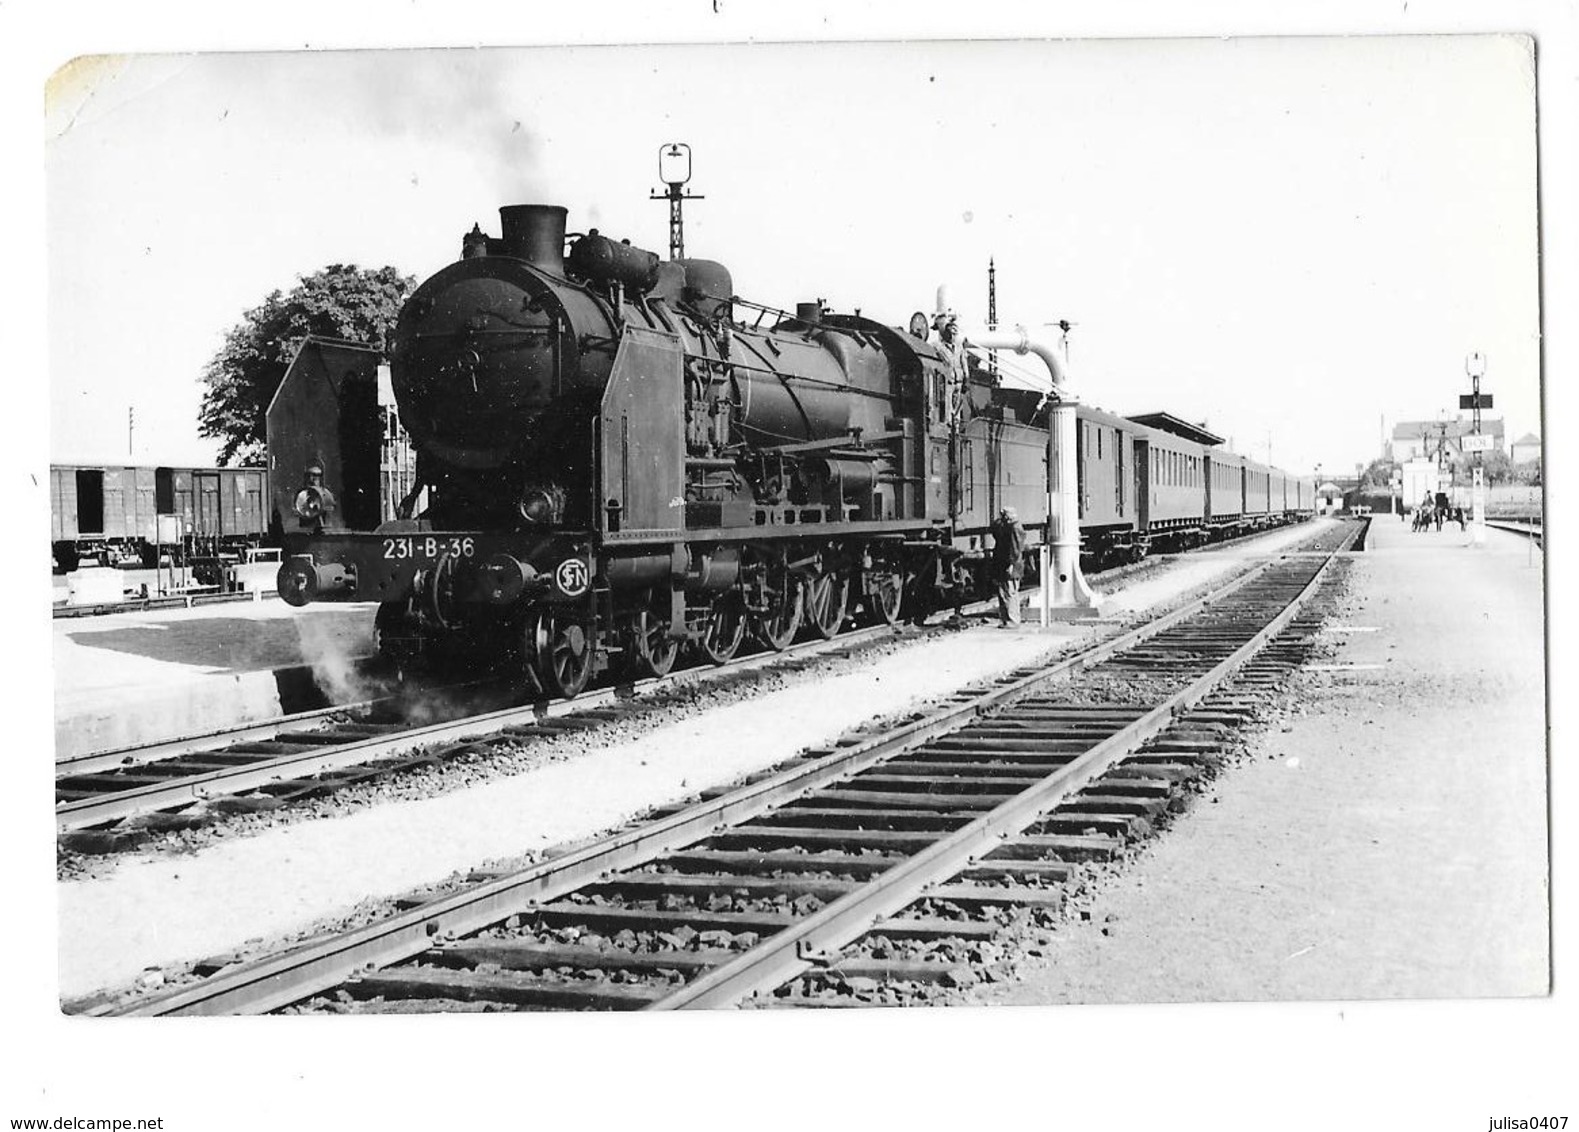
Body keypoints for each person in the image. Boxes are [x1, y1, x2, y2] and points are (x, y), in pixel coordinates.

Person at [990, 506, 1027, 626]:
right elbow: (995, 530)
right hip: (1007, 564)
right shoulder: (1010, 527)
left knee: (1009, 592)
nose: (1003, 518)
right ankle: (1008, 619)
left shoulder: (1015, 529)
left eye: (1004, 516)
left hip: (1011, 565)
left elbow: (1015, 549)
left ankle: (1012, 620)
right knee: (1006, 592)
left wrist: (1011, 564)